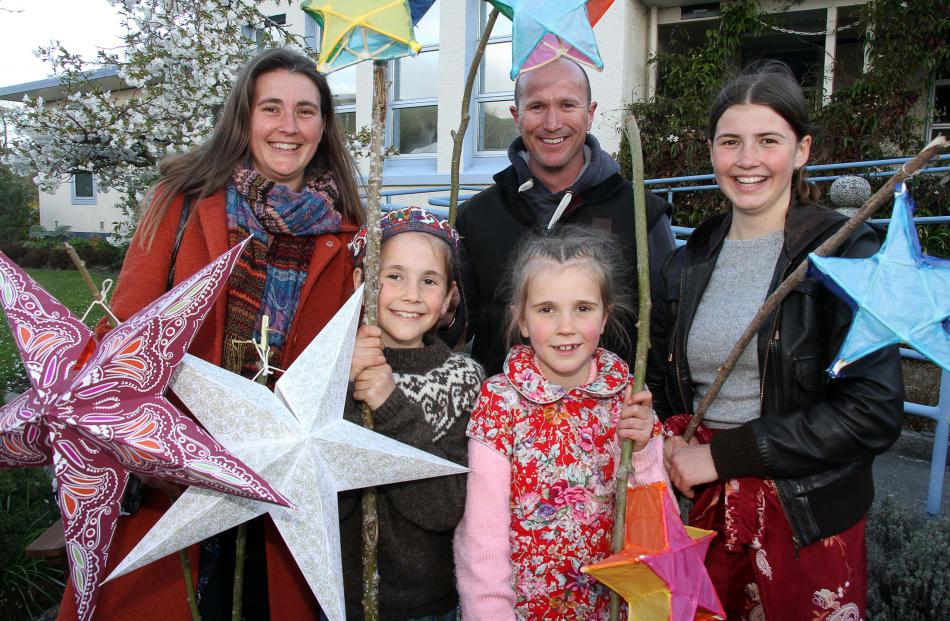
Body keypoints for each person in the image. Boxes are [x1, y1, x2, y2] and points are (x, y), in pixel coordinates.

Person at [59, 48, 364, 621]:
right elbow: (120, 335)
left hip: (284, 491)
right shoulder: (183, 205)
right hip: (178, 477)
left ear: (324, 127)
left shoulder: (347, 236)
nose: (288, 126)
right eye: (271, 108)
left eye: (305, 111)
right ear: (244, 118)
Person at [647, 61, 903, 620]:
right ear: (711, 150)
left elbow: (873, 412)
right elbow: (663, 382)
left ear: (803, 149)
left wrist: (724, 455)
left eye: (768, 140)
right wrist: (659, 431)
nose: (747, 160)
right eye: (730, 141)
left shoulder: (845, 256)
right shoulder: (686, 262)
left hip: (805, 519)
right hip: (701, 512)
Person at [454, 225, 668, 619]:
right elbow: (482, 537)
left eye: (583, 308)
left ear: (605, 317)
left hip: (612, 606)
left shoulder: (627, 399)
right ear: (521, 319)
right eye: (547, 309)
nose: (565, 326)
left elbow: (656, 517)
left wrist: (642, 451)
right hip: (525, 610)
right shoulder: (500, 403)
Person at [453, 56, 676, 374]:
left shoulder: (642, 213)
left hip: (611, 417)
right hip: (502, 417)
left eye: (568, 105)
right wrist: (444, 314)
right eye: (537, 106)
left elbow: (665, 334)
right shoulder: (475, 218)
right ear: (517, 116)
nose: (553, 123)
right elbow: (455, 330)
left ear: (590, 114)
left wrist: (649, 413)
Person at [335, 207, 484, 621]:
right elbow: (325, 499)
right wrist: (343, 392)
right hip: (340, 599)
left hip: (428, 606)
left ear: (448, 299)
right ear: (360, 283)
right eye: (394, 276)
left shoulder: (463, 381)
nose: (412, 294)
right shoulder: (327, 374)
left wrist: (390, 406)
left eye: (429, 281)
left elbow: (444, 509)